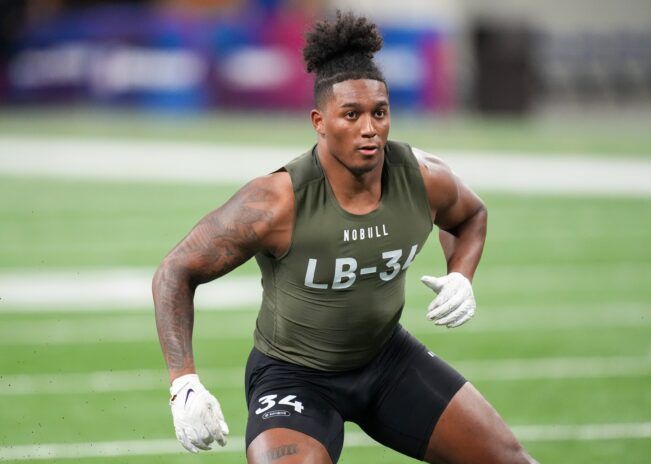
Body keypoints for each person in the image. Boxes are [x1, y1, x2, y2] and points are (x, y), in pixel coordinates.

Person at [153, 11, 537, 464]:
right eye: (351, 115)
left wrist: (462, 275)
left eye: (379, 113)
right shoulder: (276, 201)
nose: (369, 128)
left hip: (388, 360)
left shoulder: (422, 178)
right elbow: (175, 271)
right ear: (319, 120)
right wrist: (184, 383)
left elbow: (470, 215)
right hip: (294, 376)